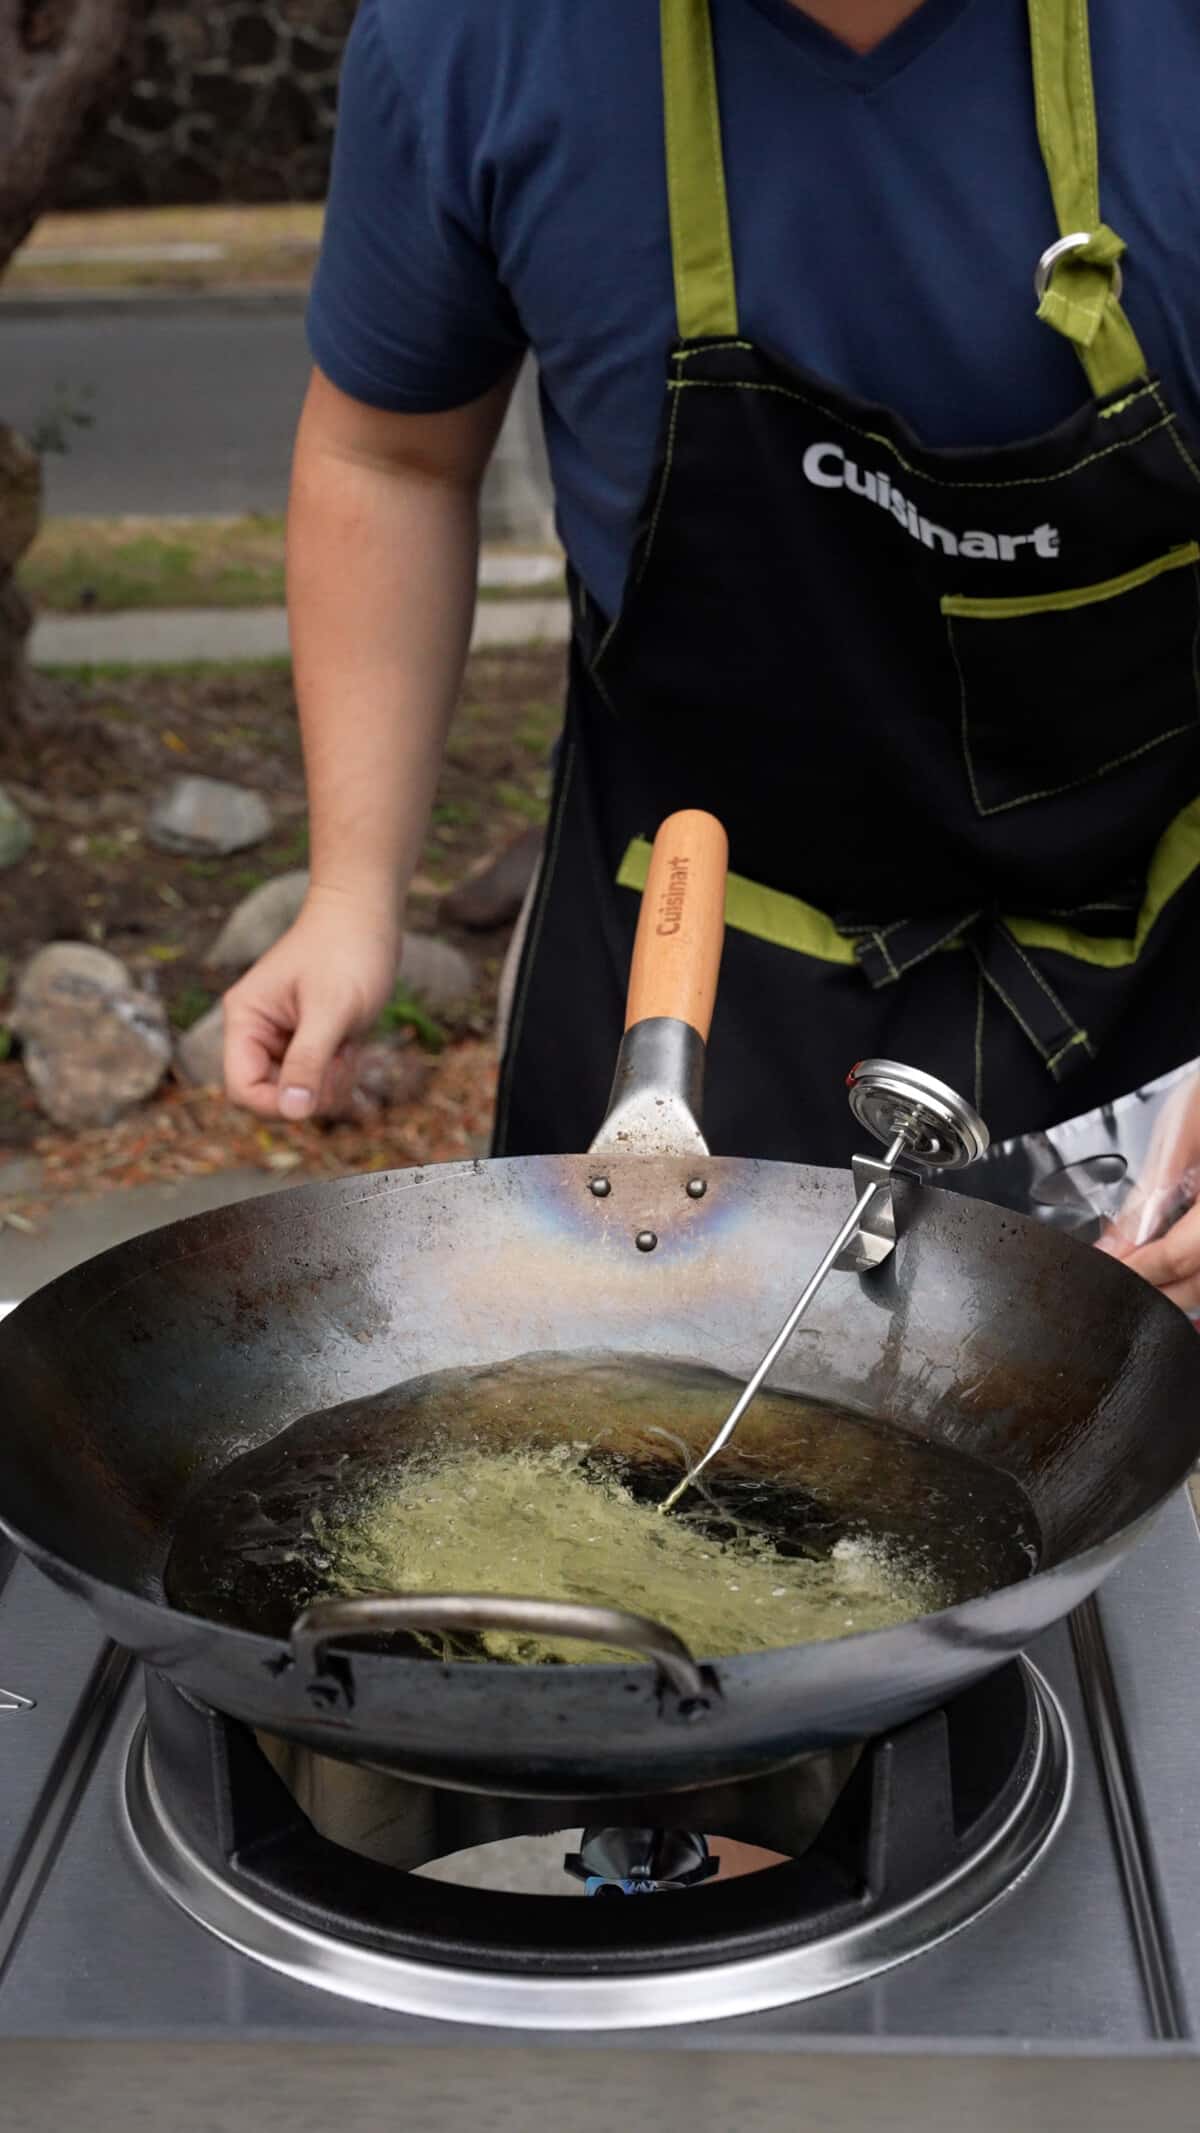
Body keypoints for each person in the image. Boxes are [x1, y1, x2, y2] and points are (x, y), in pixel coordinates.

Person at [224, 0, 1200, 1307]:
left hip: (1159, 987)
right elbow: (387, 457)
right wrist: (352, 889)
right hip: (684, 976)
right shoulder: (476, 38)